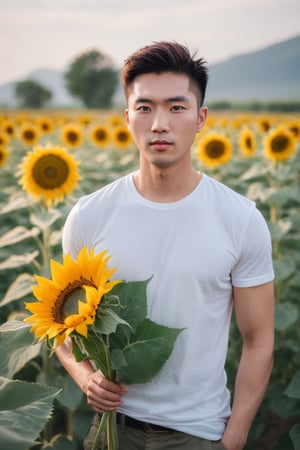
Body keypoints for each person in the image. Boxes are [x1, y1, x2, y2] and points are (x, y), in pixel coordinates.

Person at [56, 41, 274, 450]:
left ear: (200, 118)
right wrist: (85, 376)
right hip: (112, 432)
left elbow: (259, 339)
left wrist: (235, 437)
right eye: (145, 108)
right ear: (127, 118)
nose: (159, 124)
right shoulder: (89, 216)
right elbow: (62, 324)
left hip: (199, 433)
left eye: (176, 107)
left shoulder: (239, 218)